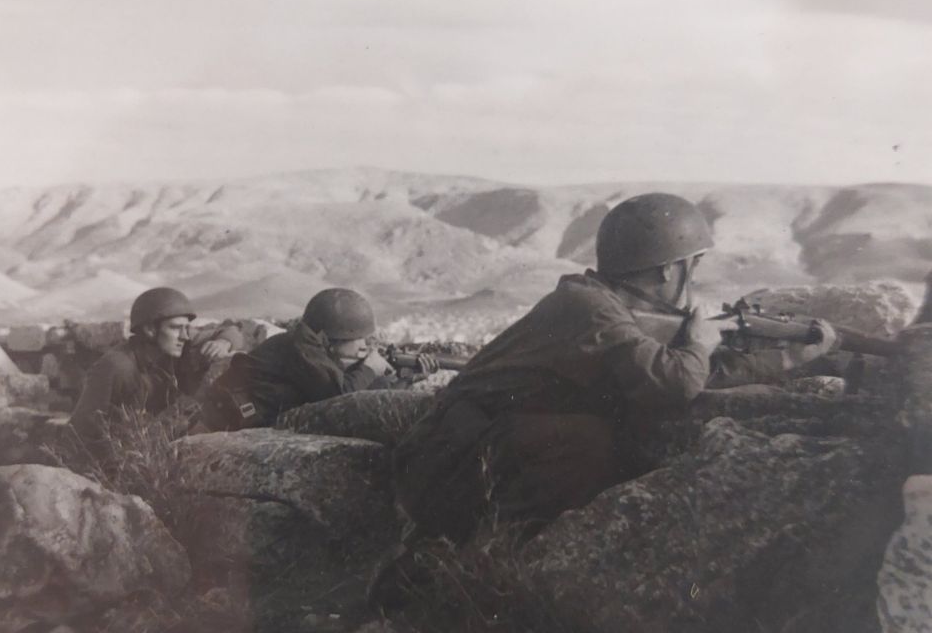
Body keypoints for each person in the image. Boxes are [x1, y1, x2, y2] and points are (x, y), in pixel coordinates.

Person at [378, 193, 837, 584]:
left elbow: (691, 373)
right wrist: (699, 340)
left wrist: (789, 359)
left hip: (459, 454)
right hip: (442, 465)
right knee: (593, 441)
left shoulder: (599, 302)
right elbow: (675, 381)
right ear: (667, 271)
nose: (693, 279)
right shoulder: (591, 309)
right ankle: (458, 565)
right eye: (691, 267)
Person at [202, 287, 438, 431]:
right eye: (357, 338)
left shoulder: (311, 346)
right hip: (225, 422)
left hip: (243, 420)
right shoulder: (301, 349)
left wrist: (406, 380)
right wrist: (369, 368)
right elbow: (341, 397)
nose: (364, 345)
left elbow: (352, 389)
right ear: (328, 337)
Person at [68, 287, 244, 458]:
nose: (185, 336)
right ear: (150, 330)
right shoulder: (116, 366)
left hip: (161, 441)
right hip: (124, 453)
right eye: (175, 328)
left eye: (186, 328)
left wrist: (223, 342)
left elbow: (231, 332)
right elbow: (80, 428)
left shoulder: (178, 343)